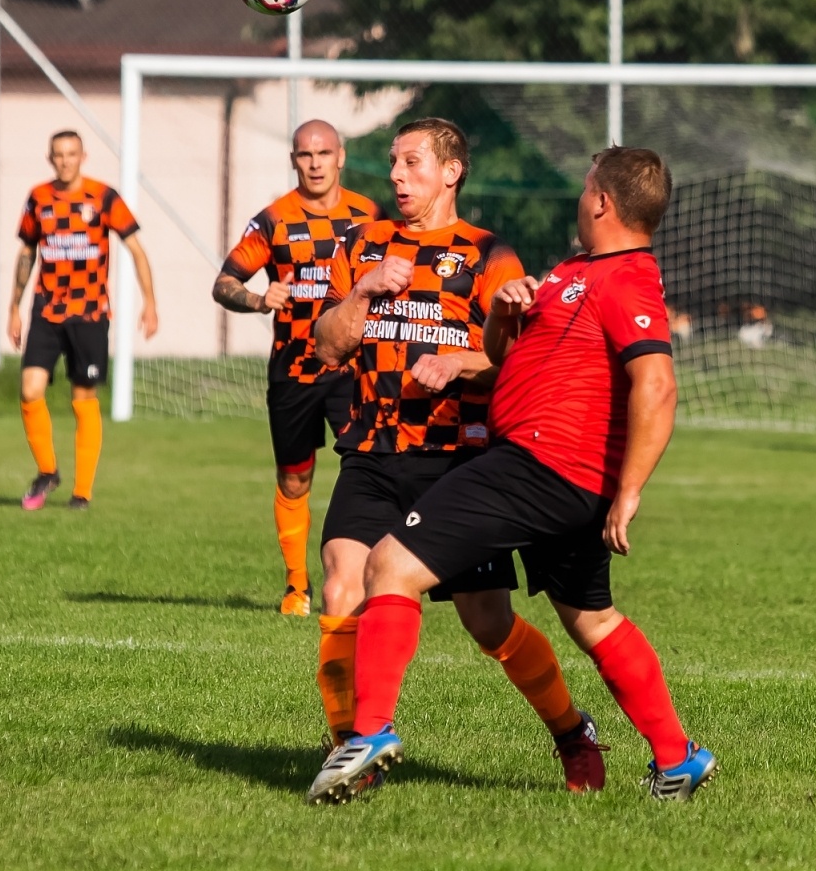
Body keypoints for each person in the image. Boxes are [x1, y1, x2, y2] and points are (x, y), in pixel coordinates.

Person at [307, 146, 717, 806]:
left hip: (539, 465)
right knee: (593, 619)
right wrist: (505, 312)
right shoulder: (577, 271)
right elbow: (503, 356)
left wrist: (631, 489)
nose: (581, 199)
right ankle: (677, 757)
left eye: (586, 188)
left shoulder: (628, 277)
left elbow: (658, 384)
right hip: (548, 470)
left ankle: (370, 732)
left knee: (391, 567)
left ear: (602, 202)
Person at [308, 117, 607, 795]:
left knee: (488, 622)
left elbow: (519, 363)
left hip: (457, 464)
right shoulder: (361, 244)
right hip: (374, 453)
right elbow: (327, 346)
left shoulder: (486, 254)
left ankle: (570, 731)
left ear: (452, 171)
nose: (395, 175)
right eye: (391, 162)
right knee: (340, 587)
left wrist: (462, 359)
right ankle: (351, 754)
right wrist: (361, 292)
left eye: (412, 162)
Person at [212, 120, 381, 616]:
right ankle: (295, 588)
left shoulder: (369, 215)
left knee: (367, 470)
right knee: (294, 480)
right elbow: (224, 283)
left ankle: (367, 583)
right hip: (293, 370)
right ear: (293, 160)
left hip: (352, 369)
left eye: (323, 153)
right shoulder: (274, 220)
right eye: (305, 154)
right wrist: (259, 298)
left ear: (340, 157)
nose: (315, 163)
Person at [8, 130, 158, 510]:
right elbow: (27, 252)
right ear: (50, 158)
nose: (65, 160)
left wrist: (150, 302)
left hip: (90, 313)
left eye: (71, 153)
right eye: (58, 154)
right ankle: (47, 471)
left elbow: (137, 250)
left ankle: (83, 492)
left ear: (83, 156)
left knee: (82, 398)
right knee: (29, 390)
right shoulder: (39, 198)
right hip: (46, 310)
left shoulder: (104, 197)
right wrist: (13, 306)